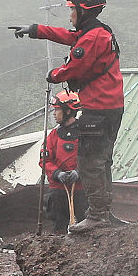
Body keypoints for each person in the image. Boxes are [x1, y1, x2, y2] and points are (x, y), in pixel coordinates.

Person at [11, 0, 126, 232]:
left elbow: (75, 68)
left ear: (82, 10)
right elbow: (68, 37)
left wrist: (54, 75)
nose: (70, 14)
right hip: (112, 107)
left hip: (98, 109)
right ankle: (105, 212)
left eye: (72, 9)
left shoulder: (92, 38)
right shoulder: (99, 32)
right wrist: (36, 30)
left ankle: (97, 215)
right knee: (103, 160)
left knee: (89, 162)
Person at [41, 90, 88, 234]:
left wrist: (79, 172)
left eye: (57, 110)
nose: (54, 114)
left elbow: (92, 158)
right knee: (59, 229)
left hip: (81, 190)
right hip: (58, 192)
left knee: (84, 228)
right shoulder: (53, 136)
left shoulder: (86, 134)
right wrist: (57, 173)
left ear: (68, 111)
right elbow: (44, 160)